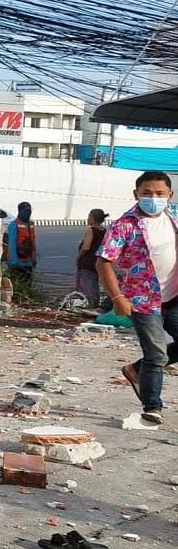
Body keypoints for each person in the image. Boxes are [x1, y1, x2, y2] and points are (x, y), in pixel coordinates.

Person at [96, 170, 178, 425]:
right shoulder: (124, 225)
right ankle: (152, 406)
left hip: (174, 296)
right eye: (147, 193)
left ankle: (135, 369)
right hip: (142, 301)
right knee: (156, 354)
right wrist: (118, 297)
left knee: (160, 354)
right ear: (136, 194)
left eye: (159, 193)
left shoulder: (174, 219)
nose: (153, 198)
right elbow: (103, 261)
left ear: (169, 195)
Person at [74, 208, 107, 305]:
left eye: (89, 216)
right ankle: (95, 303)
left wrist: (78, 257)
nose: (87, 219)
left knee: (86, 284)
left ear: (93, 218)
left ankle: (89, 304)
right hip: (97, 261)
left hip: (87, 261)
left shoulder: (91, 230)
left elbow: (86, 247)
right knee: (94, 284)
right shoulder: (104, 231)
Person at [5, 201, 37, 279]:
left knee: (27, 285)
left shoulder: (31, 224)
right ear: (20, 211)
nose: (28, 213)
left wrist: (34, 258)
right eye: (26, 211)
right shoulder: (14, 225)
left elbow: (33, 241)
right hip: (17, 263)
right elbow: (12, 244)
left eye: (29, 211)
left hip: (28, 262)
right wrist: (14, 262)